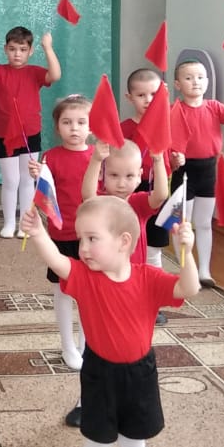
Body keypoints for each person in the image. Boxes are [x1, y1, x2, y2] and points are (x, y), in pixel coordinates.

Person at [21, 199, 200, 447]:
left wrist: (186, 253)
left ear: (123, 242)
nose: (83, 248)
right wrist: (38, 233)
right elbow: (56, 261)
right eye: (81, 239)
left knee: (134, 445)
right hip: (99, 374)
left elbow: (189, 288)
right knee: (97, 446)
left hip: (140, 375)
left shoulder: (148, 278)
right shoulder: (84, 277)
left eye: (92, 238)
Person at [170, 58, 224, 286]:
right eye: (188, 78)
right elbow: (165, 142)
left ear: (207, 81)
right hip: (183, 172)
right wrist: (174, 158)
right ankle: (185, 267)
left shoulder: (214, 107)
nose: (195, 82)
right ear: (178, 84)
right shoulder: (174, 111)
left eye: (200, 77)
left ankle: (204, 271)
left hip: (208, 171)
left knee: (205, 223)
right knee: (182, 224)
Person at [26, 95, 92, 379]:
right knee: (63, 291)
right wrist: (37, 175)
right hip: (61, 234)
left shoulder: (97, 156)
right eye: (67, 122)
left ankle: (87, 344)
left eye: (81, 122)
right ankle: (68, 345)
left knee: (90, 293)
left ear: (91, 126)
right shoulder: (50, 157)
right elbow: (45, 191)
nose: (74, 128)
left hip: (91, 235)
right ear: (57, 127)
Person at [0, 26, 61, 238]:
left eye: (22, 49)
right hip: (4, 134)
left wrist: (48, 48)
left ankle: (24, 224)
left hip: (30, 133)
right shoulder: (0, 71)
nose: (17, 54)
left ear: (30, 51)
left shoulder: (35, 72)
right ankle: (8, 223)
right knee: (10, 180)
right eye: (13, 49)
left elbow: (55, 75)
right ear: (6, 49)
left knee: (27, 179)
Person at [83, 138, 171, 327]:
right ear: (103, 174)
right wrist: (96, 160)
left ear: (140, 176)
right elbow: (87, 195)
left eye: (129, 176)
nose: (121, 184)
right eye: (114, 175)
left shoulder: (139, 203)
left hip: (134, 278)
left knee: (133, 322)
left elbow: (161, 195)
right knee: (103, 322)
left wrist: (158, 161)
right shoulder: (101, 202)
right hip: (104, 276)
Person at [120, 68, 185, 272]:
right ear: (130, 97)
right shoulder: (125, 128)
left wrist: (176, 161)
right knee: (129, 237)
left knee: (154, 243)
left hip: (159, 188)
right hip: (132, 188)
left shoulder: (166, 125)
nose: (148, 100)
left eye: (153, 94)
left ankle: (154, 277)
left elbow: (169, 159)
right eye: (141, 95)